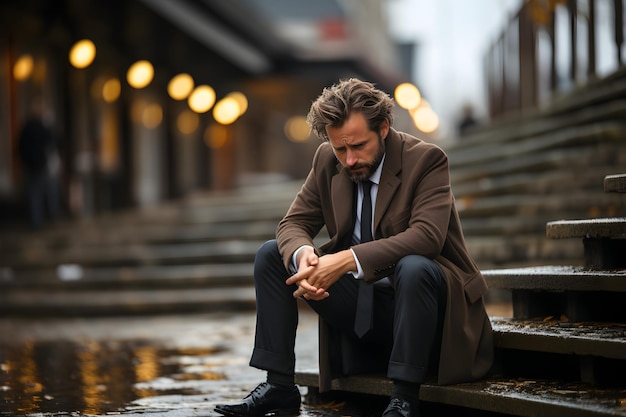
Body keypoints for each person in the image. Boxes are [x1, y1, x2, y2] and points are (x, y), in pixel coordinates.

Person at [214, 78, 493, 417]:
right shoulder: (327, 162)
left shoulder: (427, 161)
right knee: (272, 255)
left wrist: (346, 260)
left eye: (358, 146)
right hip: (364, 308)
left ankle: (404, 397)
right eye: (340, 149)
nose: (348, 160)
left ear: (385, 128)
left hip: (429, 313)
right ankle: (279, 386)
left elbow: (427, 236)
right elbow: (293, 224)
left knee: (414, 265)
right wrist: (306, 257)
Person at [18, 98, 60, 229]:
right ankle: (47, 217)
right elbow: (53, 140)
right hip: (40, 165)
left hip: (34, 166)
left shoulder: (28, 127)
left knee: (37, 193)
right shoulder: (41, 127)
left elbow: (21, 147)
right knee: (43, 192)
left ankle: (40, 220)